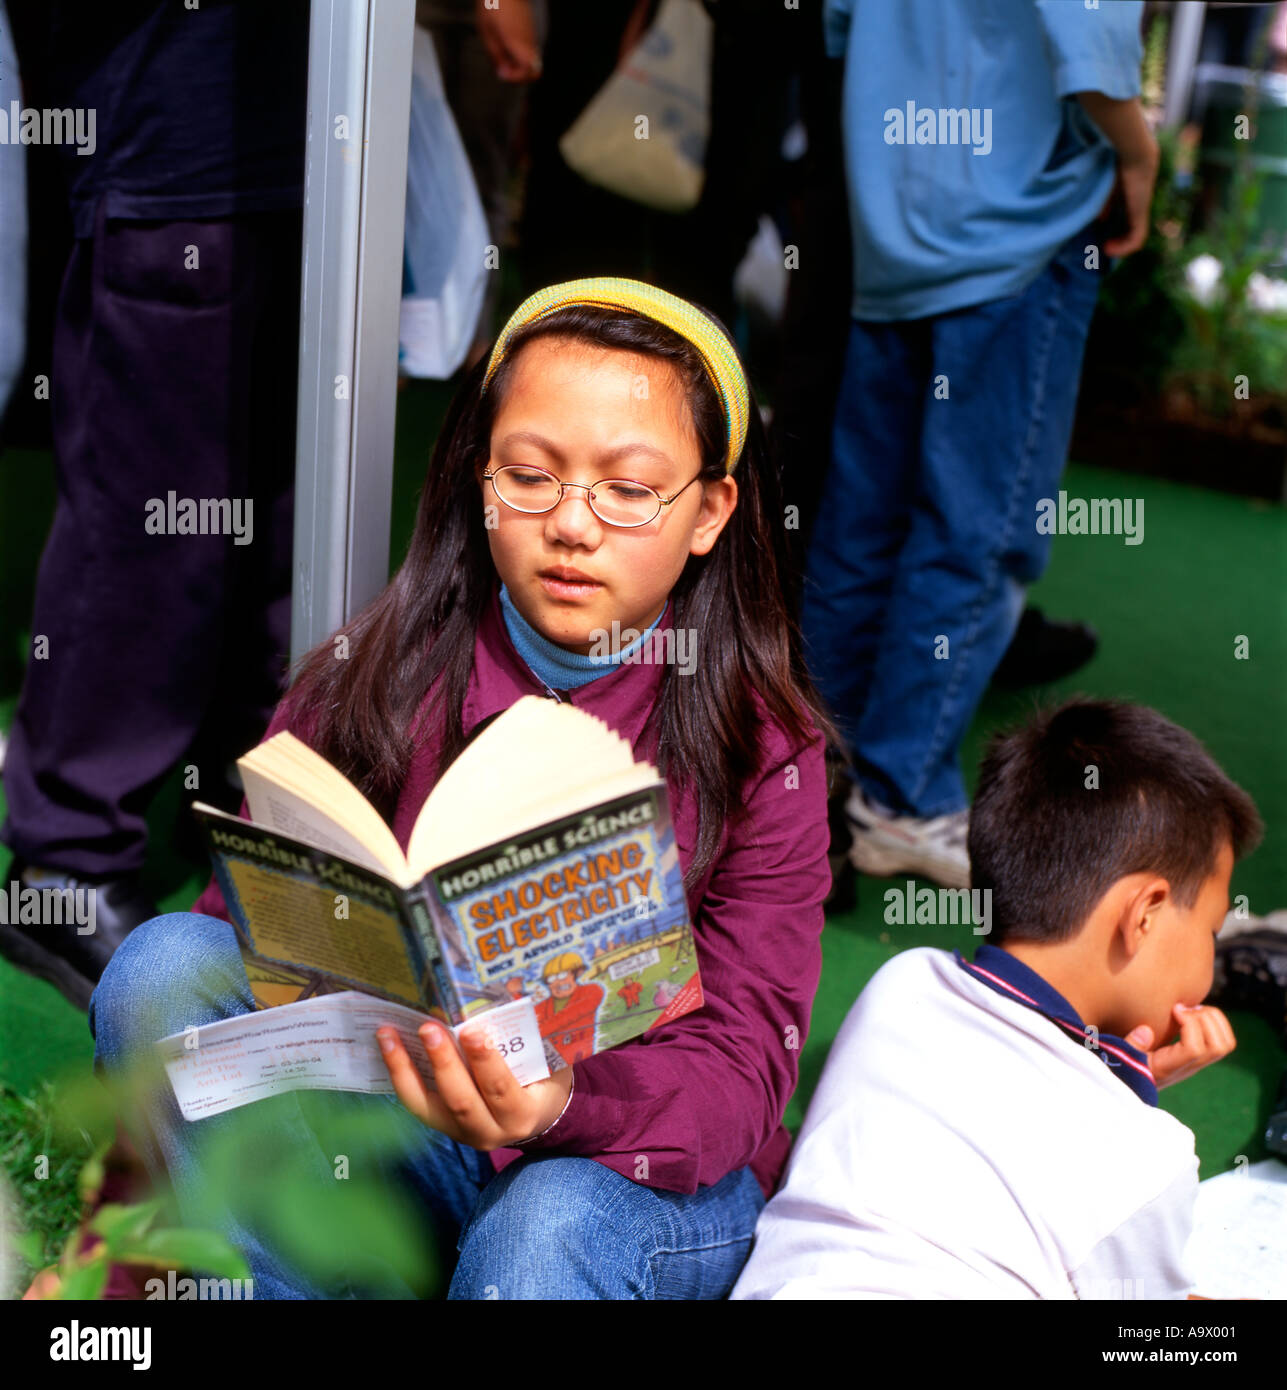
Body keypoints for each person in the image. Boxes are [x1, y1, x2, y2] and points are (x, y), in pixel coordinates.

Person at [89, 277, 836, 1300]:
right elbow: (235, 936)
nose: (573, 525)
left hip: (627, 1176)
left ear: (709, 511)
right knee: (166, 966)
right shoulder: (370, 672)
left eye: (628, 489)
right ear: (478, 479)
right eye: (530, 475)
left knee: (542, 1223)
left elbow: (748, 1066)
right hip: (408, 1133)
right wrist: (116, 1243)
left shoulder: (764, 744)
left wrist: (565, 1101)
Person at [731, 699, 1262, 1299]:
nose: (1209, 961)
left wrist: (1119, 1082)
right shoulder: (1148, 1158)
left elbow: (997, 1115)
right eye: (1211, 931)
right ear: (1145, 914)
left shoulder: (901, 985)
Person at [803, 0, 1159, 889]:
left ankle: (802, 782)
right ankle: (901, 797)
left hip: (892, 222)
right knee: (980, 528)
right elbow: (1088, 45)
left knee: (860, 527)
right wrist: (1140, 150)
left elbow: (842, 25)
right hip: (1011, 230)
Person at [0, 1, 310, 1009]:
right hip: (170, 122)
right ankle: (66, 862)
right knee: (149, 518)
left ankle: (240, 801)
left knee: (272, 512)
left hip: (304, 114)